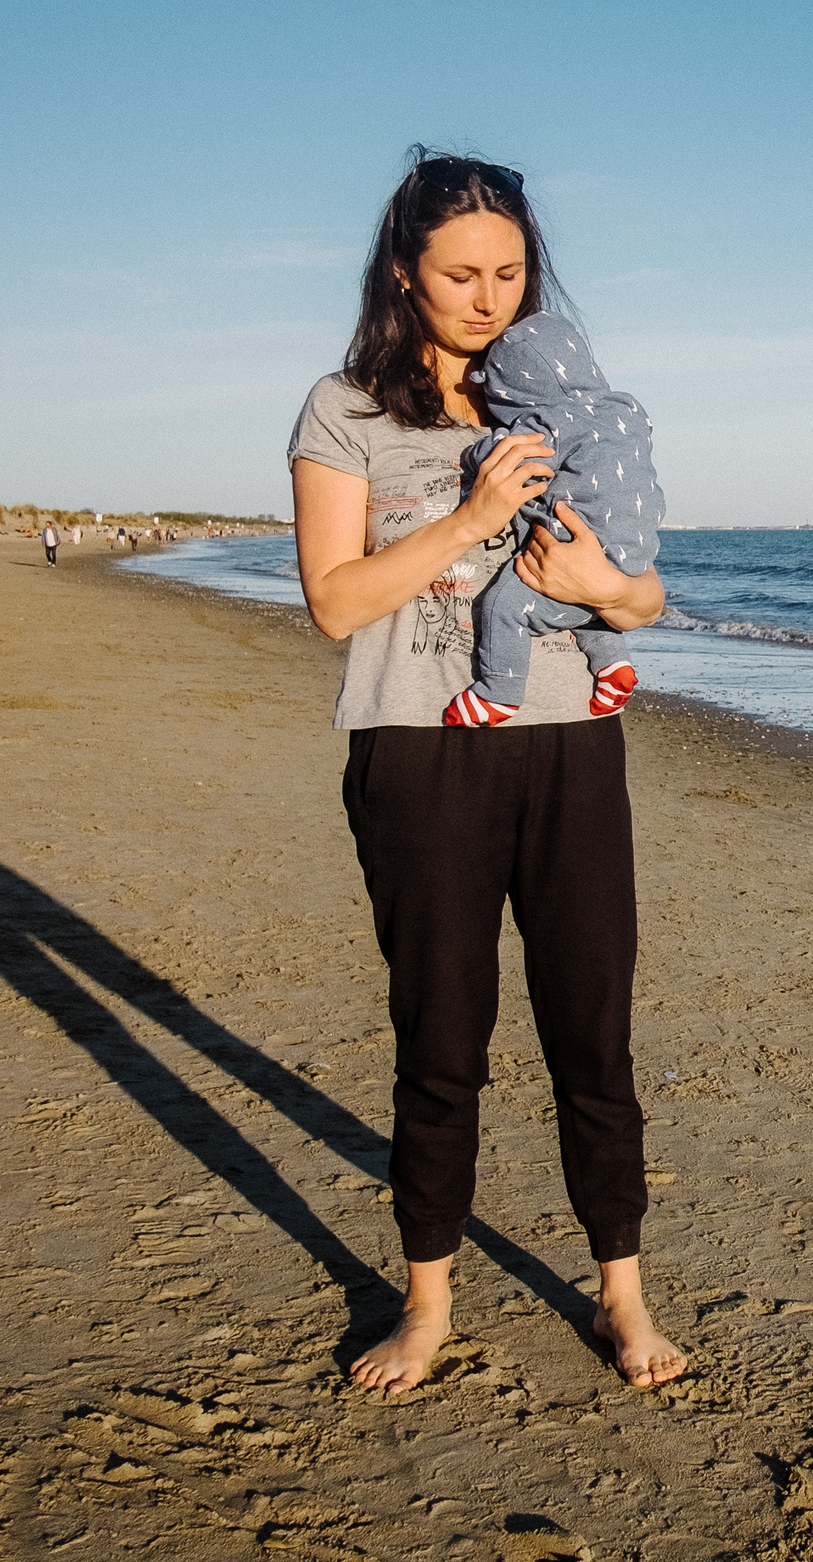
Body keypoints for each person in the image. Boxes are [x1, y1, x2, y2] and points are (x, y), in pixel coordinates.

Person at [289, 151, 685, 1395]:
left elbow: (644, 588)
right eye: (461, 273)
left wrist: (609, 593)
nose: (487, 297)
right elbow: (333, 603)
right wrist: (467, 523)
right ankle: (426, 1306)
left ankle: (624, 1299)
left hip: (571, 750)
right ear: (405, 271)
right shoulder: (345, 408)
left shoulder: (564, 400)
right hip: (421, 755)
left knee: (594, 1030)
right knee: (441, 1037)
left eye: (509, 272)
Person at [442, 312, 662, 728]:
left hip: (572, 547)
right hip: (633, 550)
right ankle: (612, 664)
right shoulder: (627, 409)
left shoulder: (552, 421)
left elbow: (509, 453)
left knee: (504, 605)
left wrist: (472, 456)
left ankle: (499, 694)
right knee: (584, 603)